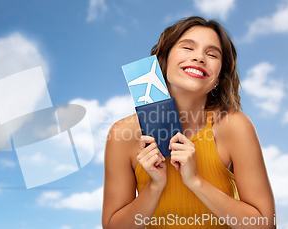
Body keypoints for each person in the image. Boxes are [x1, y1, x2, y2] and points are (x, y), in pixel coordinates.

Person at [101, 16, 276, 229]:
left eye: (211, 54)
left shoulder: (235, 126)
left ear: (219, 77)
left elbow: (265, 225)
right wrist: (155, 186)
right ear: (163, 61)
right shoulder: (122, 134)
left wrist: (195, 182)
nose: (199, 57)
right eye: (188, 48)